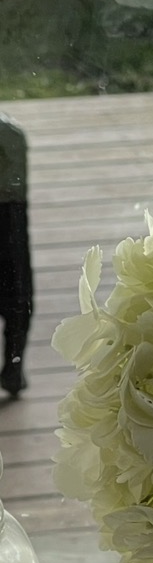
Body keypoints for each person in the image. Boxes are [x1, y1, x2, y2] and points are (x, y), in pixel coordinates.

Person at [0, 116, 30, 399]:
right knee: (18, 299)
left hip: (9, 212)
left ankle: (13, 365)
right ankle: (13, 366)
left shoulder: (10, 135)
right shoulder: (11, 135)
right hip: (9, 218)